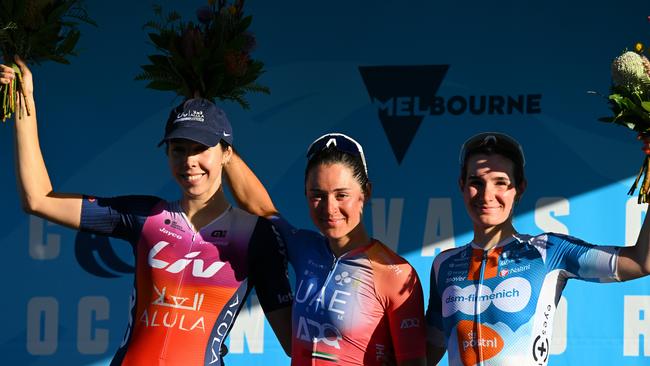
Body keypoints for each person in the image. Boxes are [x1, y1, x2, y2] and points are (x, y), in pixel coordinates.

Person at [1, 57, 292, 366]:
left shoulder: (256, 235)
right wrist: (25, 101)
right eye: (178, 149)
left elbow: (291, 342)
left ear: (226, 154)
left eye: (200, 149)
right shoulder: (145, 216)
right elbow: (38, 199)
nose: (189, 161)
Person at [425, 132, 650, 366]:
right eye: (476, 183)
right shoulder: (444, 264)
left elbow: (641, 262)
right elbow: (425, 354)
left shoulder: (548, 251)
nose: (487, 195)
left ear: (520, 188)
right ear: (462, 185)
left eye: (501, 182)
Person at [223, 133, 427, 365]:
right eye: (318, 196)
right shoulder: (306, 248)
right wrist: (224, 151)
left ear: (366, 193)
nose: (330, 208)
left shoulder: (394, 273)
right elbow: (261, 209)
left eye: (342, 195)